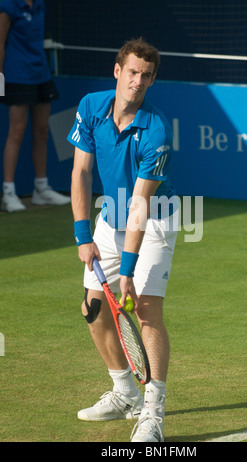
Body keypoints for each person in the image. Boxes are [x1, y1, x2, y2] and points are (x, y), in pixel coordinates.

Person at [67, 38, 178, 442]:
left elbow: (139, 206)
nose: (138, 81)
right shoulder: (90, 107)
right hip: (107, 219)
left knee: (146, 311)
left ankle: (153, 412)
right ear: (117, 71)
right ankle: (125, 392)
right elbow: (80, 173)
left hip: (152, 222)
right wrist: (83, 235)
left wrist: (127, 271)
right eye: (132, 72)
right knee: (94, 309)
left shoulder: (156, 130)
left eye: (146, 76)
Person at [0, 0, 70, 212]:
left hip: (41, 74)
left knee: (41, 131)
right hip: (17, 76)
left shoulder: (39, 4)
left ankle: (41, 189)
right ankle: (9, 192)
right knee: (17, 132)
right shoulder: (8, 5)